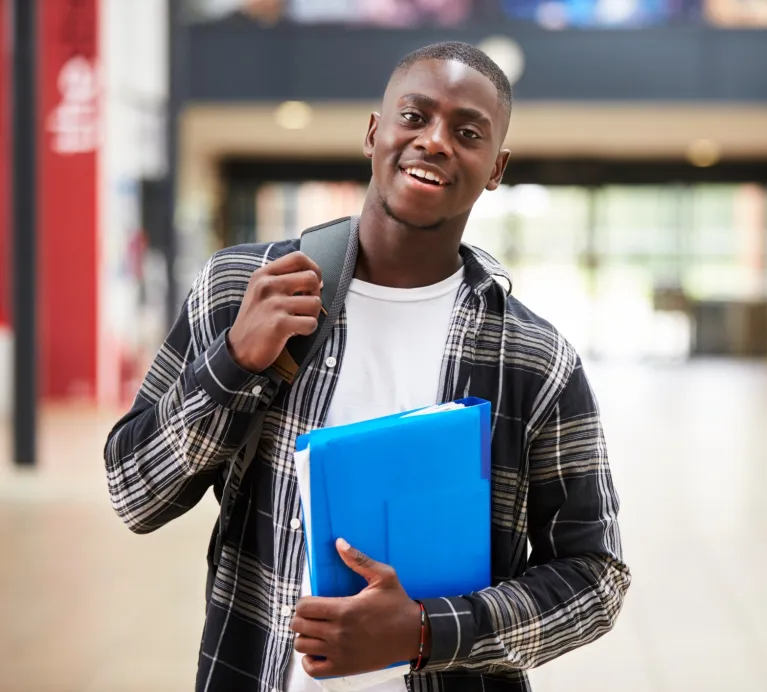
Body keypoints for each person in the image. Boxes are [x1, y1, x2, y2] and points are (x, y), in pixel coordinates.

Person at [104, 41, 631, 692]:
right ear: (374, 133)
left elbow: (594, 577)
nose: (435, 141)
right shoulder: (245, 287)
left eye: (467, 132)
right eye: (415, 116)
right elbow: (134, 493)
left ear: (496, 168)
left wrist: (426, 631)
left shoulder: (535, 360)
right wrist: (234, 364)